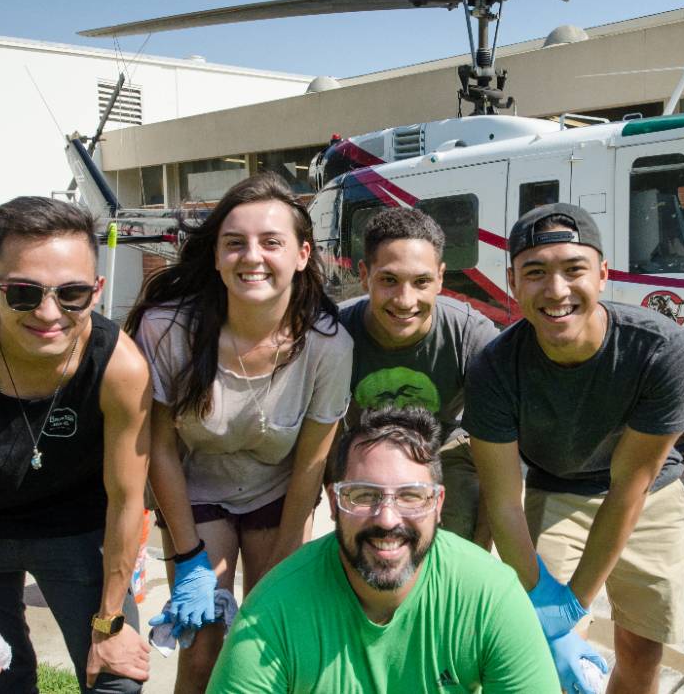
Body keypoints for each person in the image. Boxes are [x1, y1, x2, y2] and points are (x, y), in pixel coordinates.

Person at [0, 196, 152, 693]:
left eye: (72, 293)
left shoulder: (121, 368)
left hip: (78, 532)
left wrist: (108, 625)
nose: (48, 312)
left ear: (97, 291)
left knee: (117, 679)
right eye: (23, 292)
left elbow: (128, 502)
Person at [126, 173, 352, 693]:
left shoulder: (328, 345)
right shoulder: (167, 330)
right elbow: (156, 447)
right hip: (197, 492)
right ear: (215, 256)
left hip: (279, 496)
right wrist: (188, 559)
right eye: (235, 243)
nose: (252, 256)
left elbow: (312, 465)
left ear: (301, 254)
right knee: (203, 641)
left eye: (271, 242)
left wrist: (281, 569)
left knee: (270, 639)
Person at [466, 203, 684, 694]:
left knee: (641, 650)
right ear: (513, 283)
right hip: (557, 489)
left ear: (603, 274)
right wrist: (547, 605)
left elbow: (627, 489)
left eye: (574, 270)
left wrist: (577, 600)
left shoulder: (663, 350)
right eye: (535, 273)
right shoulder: (493, 367)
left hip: (647, 495)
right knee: (546, 648)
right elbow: (505, 501)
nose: (556, 291)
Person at [206, 406, 559, 694]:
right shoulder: (273, 611)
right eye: (363, 495)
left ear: (438, 505)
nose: (387, 519)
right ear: (334, 503)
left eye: (410, 496)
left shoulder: (490, 596)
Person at [338, 207, 498, 545]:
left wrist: (478, 553)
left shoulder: (471, 336)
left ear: (441, 277)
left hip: (442, 449)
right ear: (365, 275)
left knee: (463, 516)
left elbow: (496, 456)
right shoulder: (334, 333)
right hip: (364, 450)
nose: (405, 300)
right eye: (389, 280)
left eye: (421, 282)